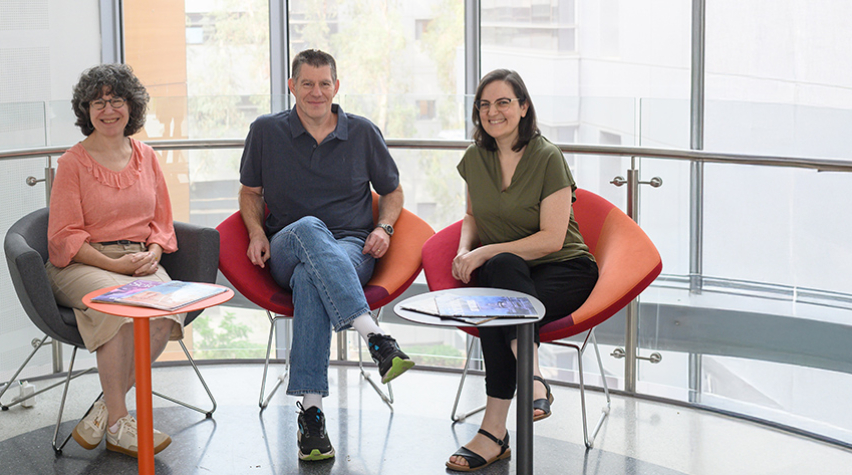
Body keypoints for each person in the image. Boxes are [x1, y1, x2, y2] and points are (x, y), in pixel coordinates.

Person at [237, 49, 413, 461]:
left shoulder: (364, 132)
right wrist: (256, 231)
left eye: (324, 83)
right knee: (310, 228)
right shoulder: (265, 130)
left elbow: (392, 191)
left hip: (351, 246)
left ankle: (311, 415)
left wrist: (384, 228)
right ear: (291, 86)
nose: (316, 92)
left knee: (309, 282)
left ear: (337, 86)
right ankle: (376, 337)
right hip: (287, 244)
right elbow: (249, 193)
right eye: (307, 83)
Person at [446, 69, 599, 472]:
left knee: (496, 298)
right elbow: (471, 215)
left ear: (523, 107)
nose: (493, 112)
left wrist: (486, 253)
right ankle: (531, 379)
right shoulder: (474, 158)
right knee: (502, 283)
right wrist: (465, 250)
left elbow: (551, 238)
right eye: (484, 104)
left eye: (503, 103)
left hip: (564, 270)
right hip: (509, 273)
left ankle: (493, 433)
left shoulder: (547, 156)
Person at [46, 64, 178, 458]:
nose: (107, 110)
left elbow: (162, 222)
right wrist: (117, 267)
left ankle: (104, 407)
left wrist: (153, 253)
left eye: (116, 100)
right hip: (81, 264)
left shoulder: (147, 156)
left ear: (130, 106)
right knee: (122, 309)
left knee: (165, 313)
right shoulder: (72, 163)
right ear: (85, 109)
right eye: (98, 102)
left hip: (138, 258)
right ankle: (121, 425)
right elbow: (64, 236)